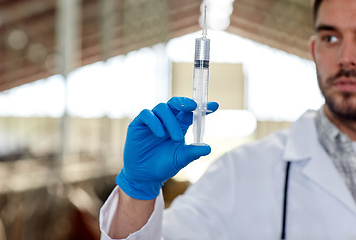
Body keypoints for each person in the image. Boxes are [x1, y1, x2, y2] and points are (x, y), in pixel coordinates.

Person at [100, 0, 356, 238]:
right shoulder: (243, 172)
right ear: (314, 50)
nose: (346, 58)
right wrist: (137, 193)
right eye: (330, 38)